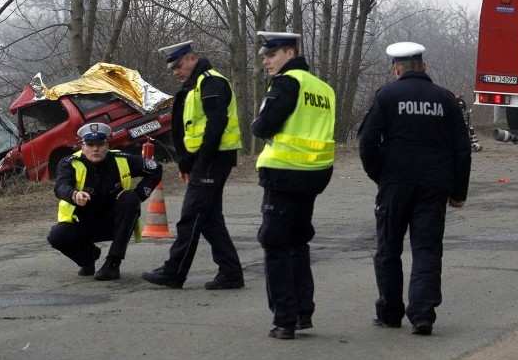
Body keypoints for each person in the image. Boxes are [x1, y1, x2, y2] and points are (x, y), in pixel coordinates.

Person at [358, 41, 472, 335]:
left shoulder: (387, 95)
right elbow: (462, 148)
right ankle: (422, 314)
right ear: (424, 67)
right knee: (427, 249)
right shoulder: (445, 99)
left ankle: (390, 312)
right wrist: (459, 191)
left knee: (388, 248)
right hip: (434, 186)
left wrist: (379, 176)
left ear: (396, 69)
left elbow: (367, 143)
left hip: (395, 183)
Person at [251, 31, 335, 340]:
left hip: (284, 173)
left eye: (271, 55)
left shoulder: (287, 83)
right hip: (314, 174)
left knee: (274, 243)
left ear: (288, 52)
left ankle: (284, 319)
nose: (266, 61)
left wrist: (256, 125)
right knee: (298, 242)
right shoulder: (323, 89)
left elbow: (266, 124)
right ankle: (303, 313)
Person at [141, 41, 245, 290]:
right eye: (173, 68)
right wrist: (186, 162)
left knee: (190, 216)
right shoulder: (195, 86)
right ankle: (230, 272)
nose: (176, 71)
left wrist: (200, 162)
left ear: (192, 59)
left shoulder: (211, 82)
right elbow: (188, 129)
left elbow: (215, 125)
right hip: (205, 160)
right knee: (208, 218)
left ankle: (174, 271)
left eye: (179, 65)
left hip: (212, 159)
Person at [48, 122, 162, 280]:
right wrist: (74, 194)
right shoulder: (70, 163)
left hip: (114, 223)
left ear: (107, 144)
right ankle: (88, 258)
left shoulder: (121, 159)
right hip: (82, 222)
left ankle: (113, 263)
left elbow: (155, 168)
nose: (95, 149)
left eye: (100, 144)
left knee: (129, 198)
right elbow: (60, 186)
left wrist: (138, 195)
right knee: (56, 236)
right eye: (90, 144)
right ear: (83, 146)